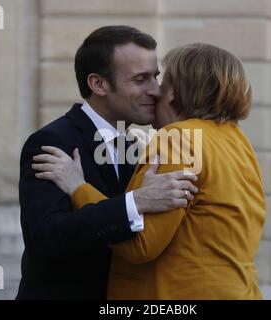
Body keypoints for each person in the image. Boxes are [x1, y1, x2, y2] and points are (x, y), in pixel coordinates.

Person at [34, 43, 266, 299]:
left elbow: (140, 246)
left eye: (163, 82)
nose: (155, 91)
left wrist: (78, 187)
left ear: (178, 92)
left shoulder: (178, 137)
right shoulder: (238, 141)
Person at [16, 26, 199, 300]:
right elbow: (48, 237)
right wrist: (136, 202)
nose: (156, 90)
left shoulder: (136, 146)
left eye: (155, 77)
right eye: (140, 79)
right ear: (98, 84)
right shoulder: (52, 142)